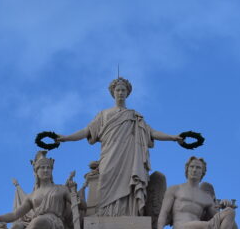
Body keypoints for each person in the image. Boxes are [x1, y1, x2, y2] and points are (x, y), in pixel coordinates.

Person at [56, 77, 184, 217]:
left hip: (129, 156)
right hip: (109, 155)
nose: (120, 93)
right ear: (113, 92)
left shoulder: (134, 116)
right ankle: (105, 215)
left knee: (129, 184)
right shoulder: (104, 115)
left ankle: (129, 215)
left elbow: (152, 132)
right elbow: (86, 131)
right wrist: (66, 138)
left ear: (127, 93)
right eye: (118, 90)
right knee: (105, 182)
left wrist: (173, 137)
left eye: (123, 90)